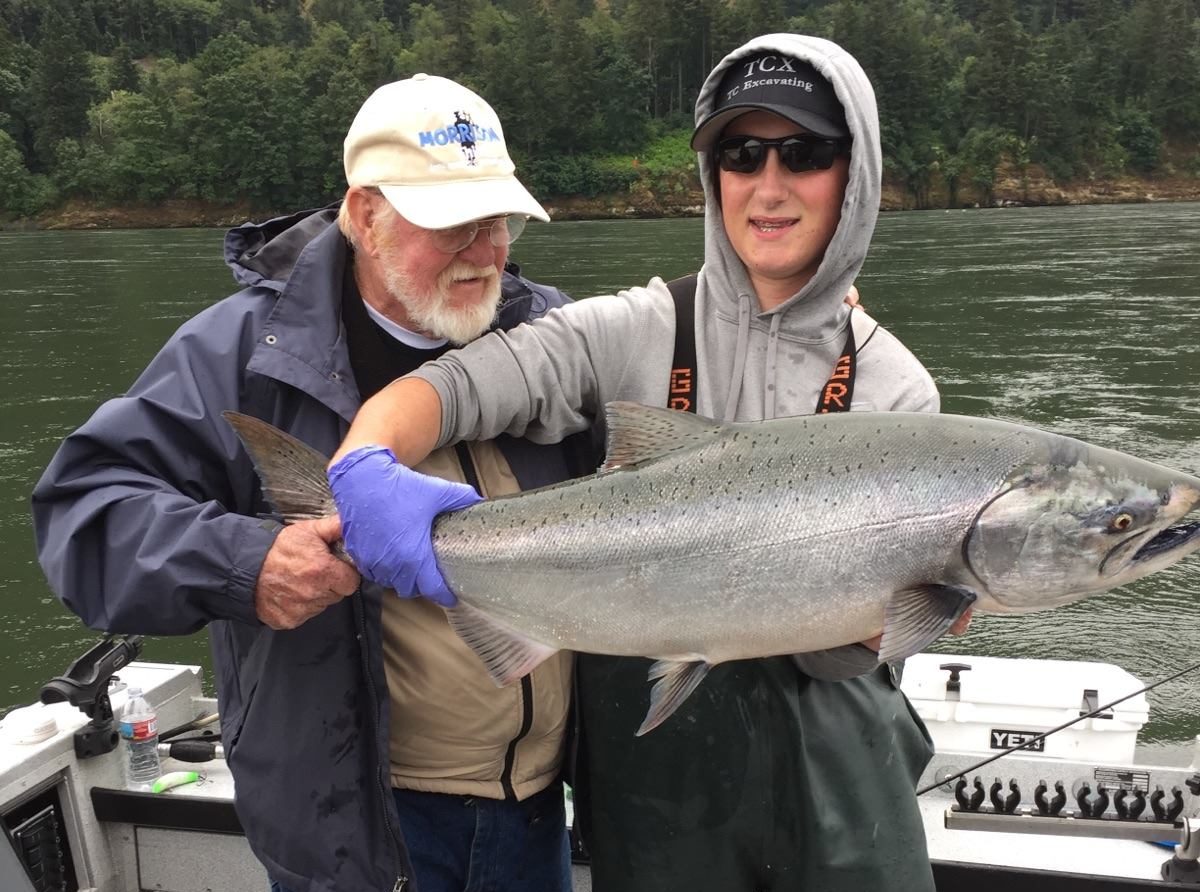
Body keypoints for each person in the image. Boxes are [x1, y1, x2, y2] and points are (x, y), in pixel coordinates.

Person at [324, 33, 968, 891]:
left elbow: (858, 657)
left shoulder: (896, 389)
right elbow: (453, 386)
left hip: (841, 786)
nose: (768, 186)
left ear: (856, 177)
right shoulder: (629, 331)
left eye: (805, 154)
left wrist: (892, 624)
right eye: (742, 155)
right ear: (714, 178)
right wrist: (363, 464)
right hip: (660, 796)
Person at [31, 74, 595, 892]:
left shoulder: (554, 335)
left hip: (542, 811)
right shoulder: (237, 354)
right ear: (365, 215)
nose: (486, 248)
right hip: (359, 829)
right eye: (452, 222)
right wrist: (245, 563)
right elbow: (82, 514)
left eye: (499, 216)